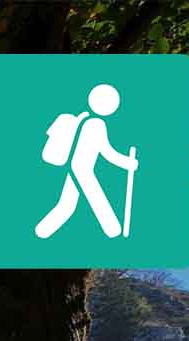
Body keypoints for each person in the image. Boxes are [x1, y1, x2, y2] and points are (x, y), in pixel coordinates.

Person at [36, 83, 138, 239]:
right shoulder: (97, 124)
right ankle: (114, 231)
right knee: (95, 200)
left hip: (73, 166)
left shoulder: (81, 118)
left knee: (67, 204)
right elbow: (107, 152)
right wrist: (128, 163)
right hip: (82, 169)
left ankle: (42, 231)